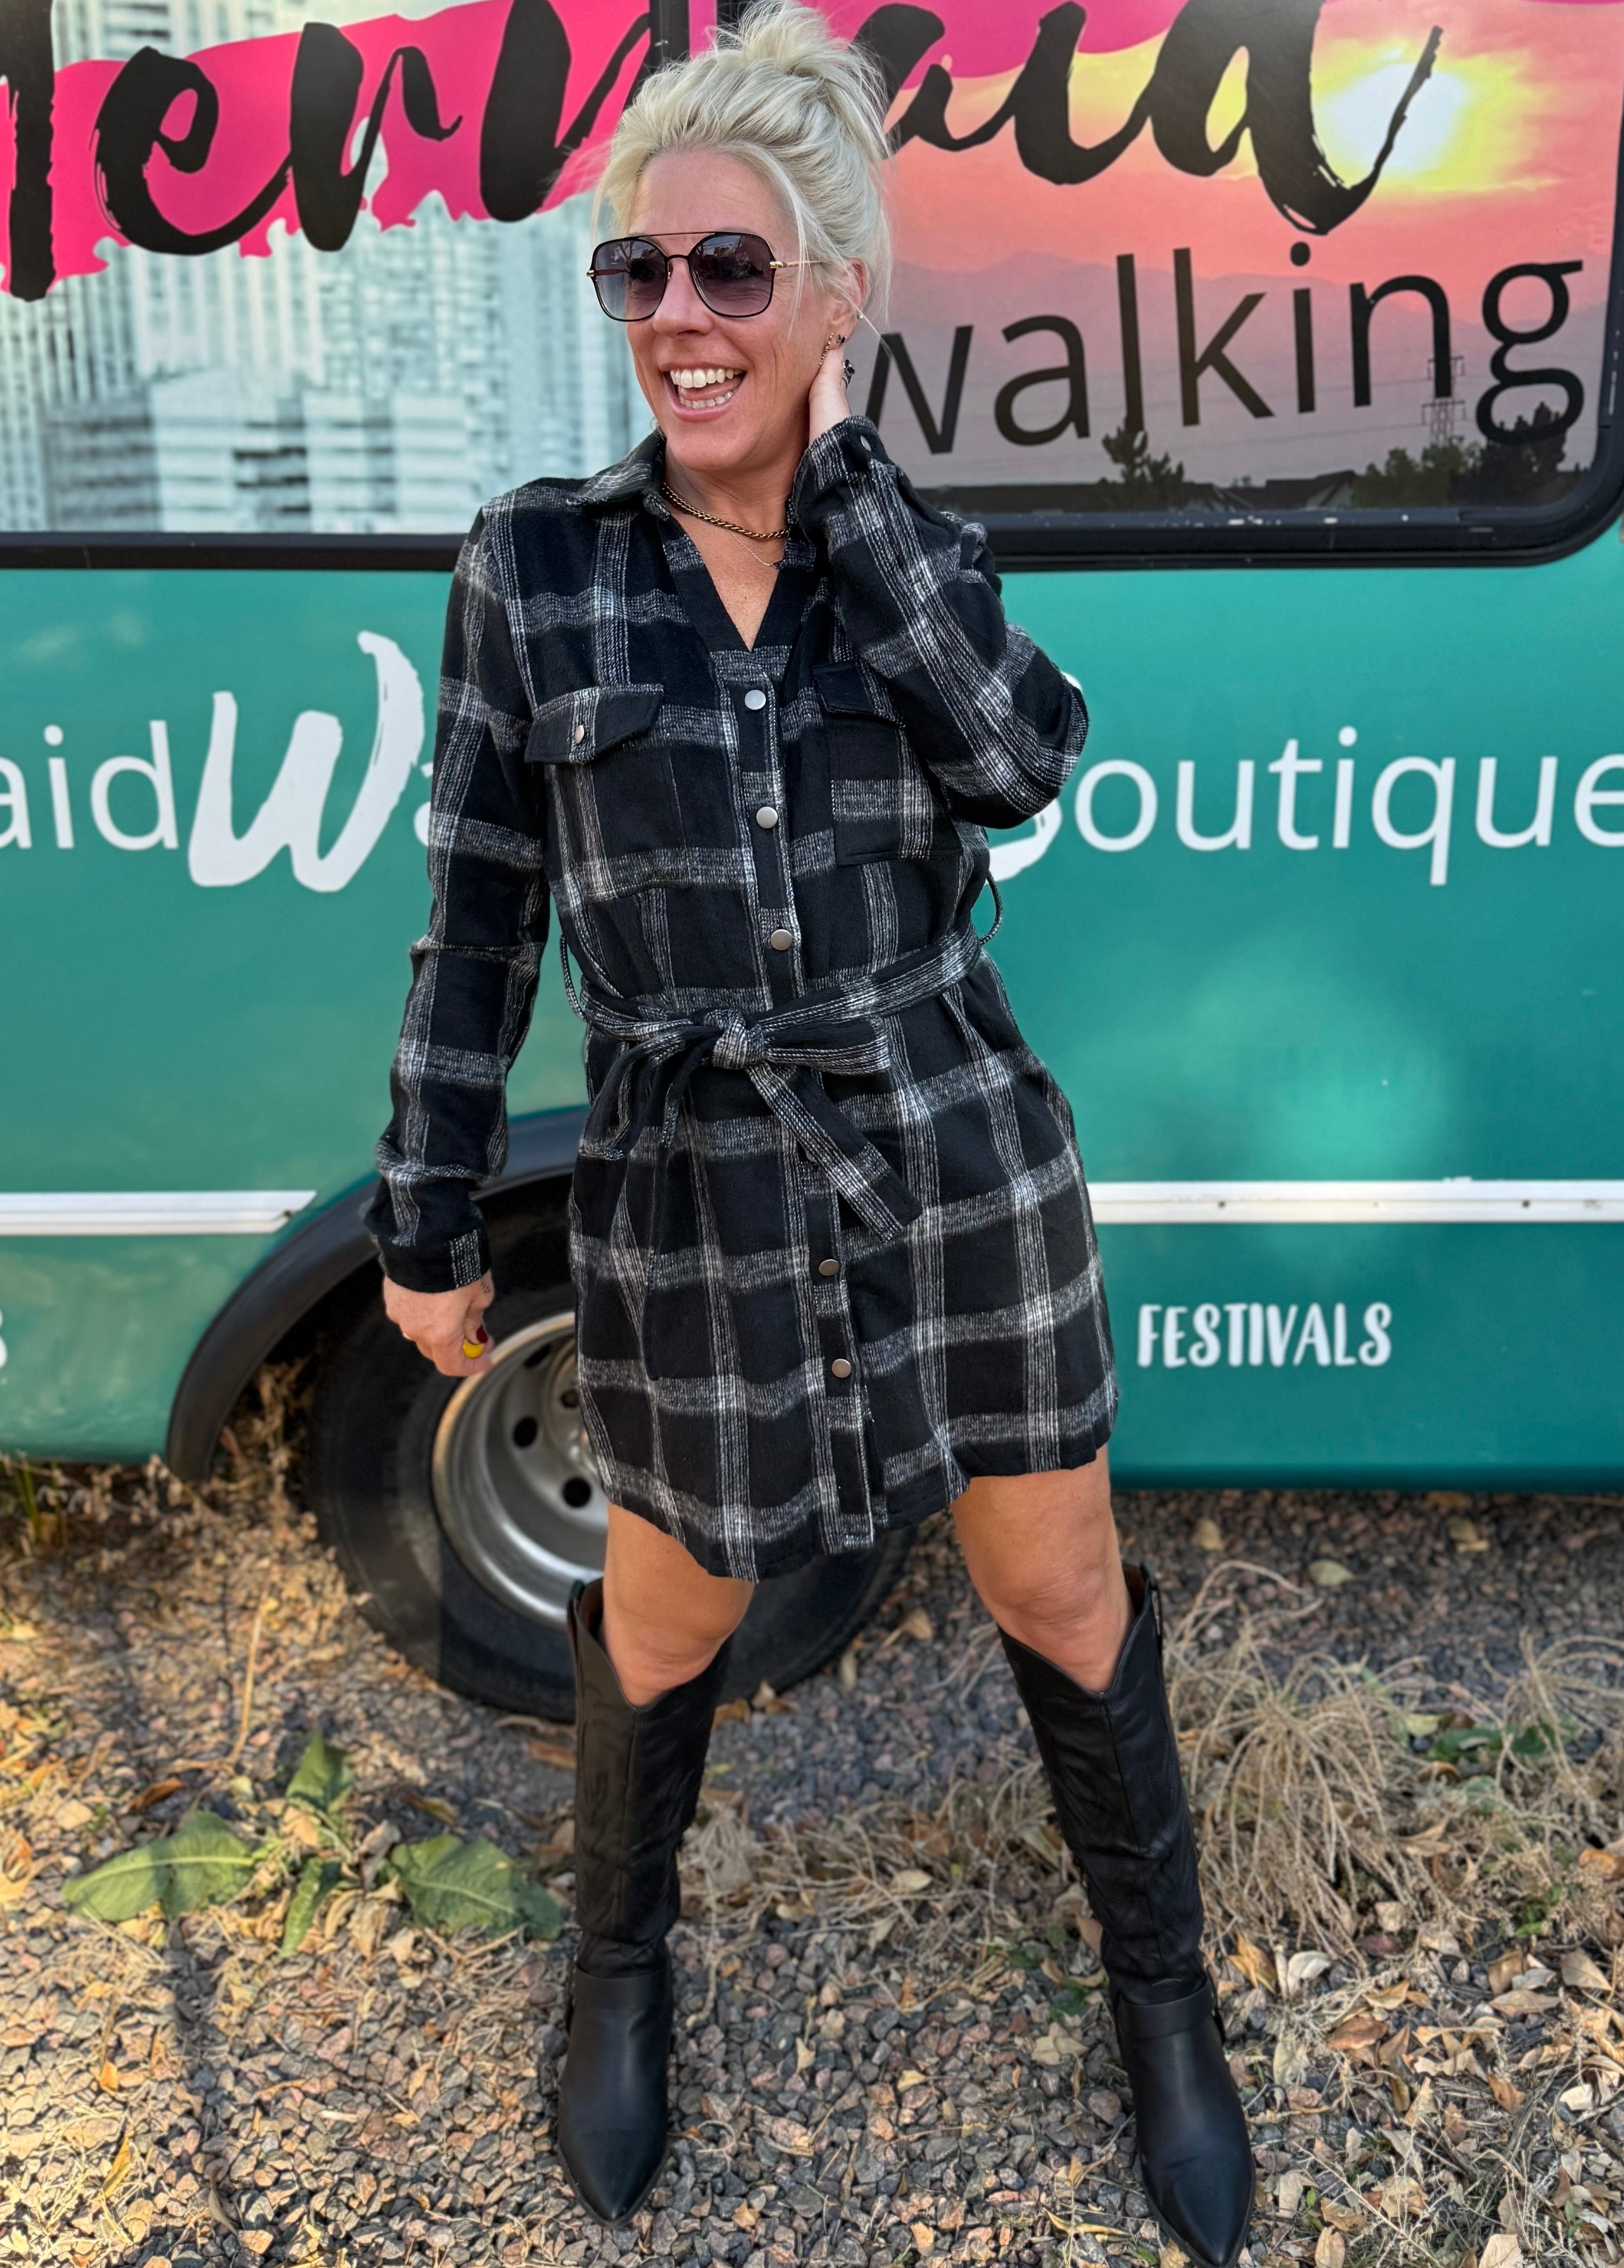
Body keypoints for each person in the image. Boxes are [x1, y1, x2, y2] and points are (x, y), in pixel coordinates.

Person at [367, 6, 1254, 2260]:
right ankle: (620, 1972)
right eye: (638, 278)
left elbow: (1017, 759)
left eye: (735, 273)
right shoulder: (532, 572)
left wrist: (844, 489)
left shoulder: (911, 552)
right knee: (668, 1610)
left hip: (955, 1143)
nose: (678, 318)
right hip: (693, 1173)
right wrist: (430, 1205)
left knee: (1055, 1588)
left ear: (836, 300)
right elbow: (474, 914)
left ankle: (1164, 2009)